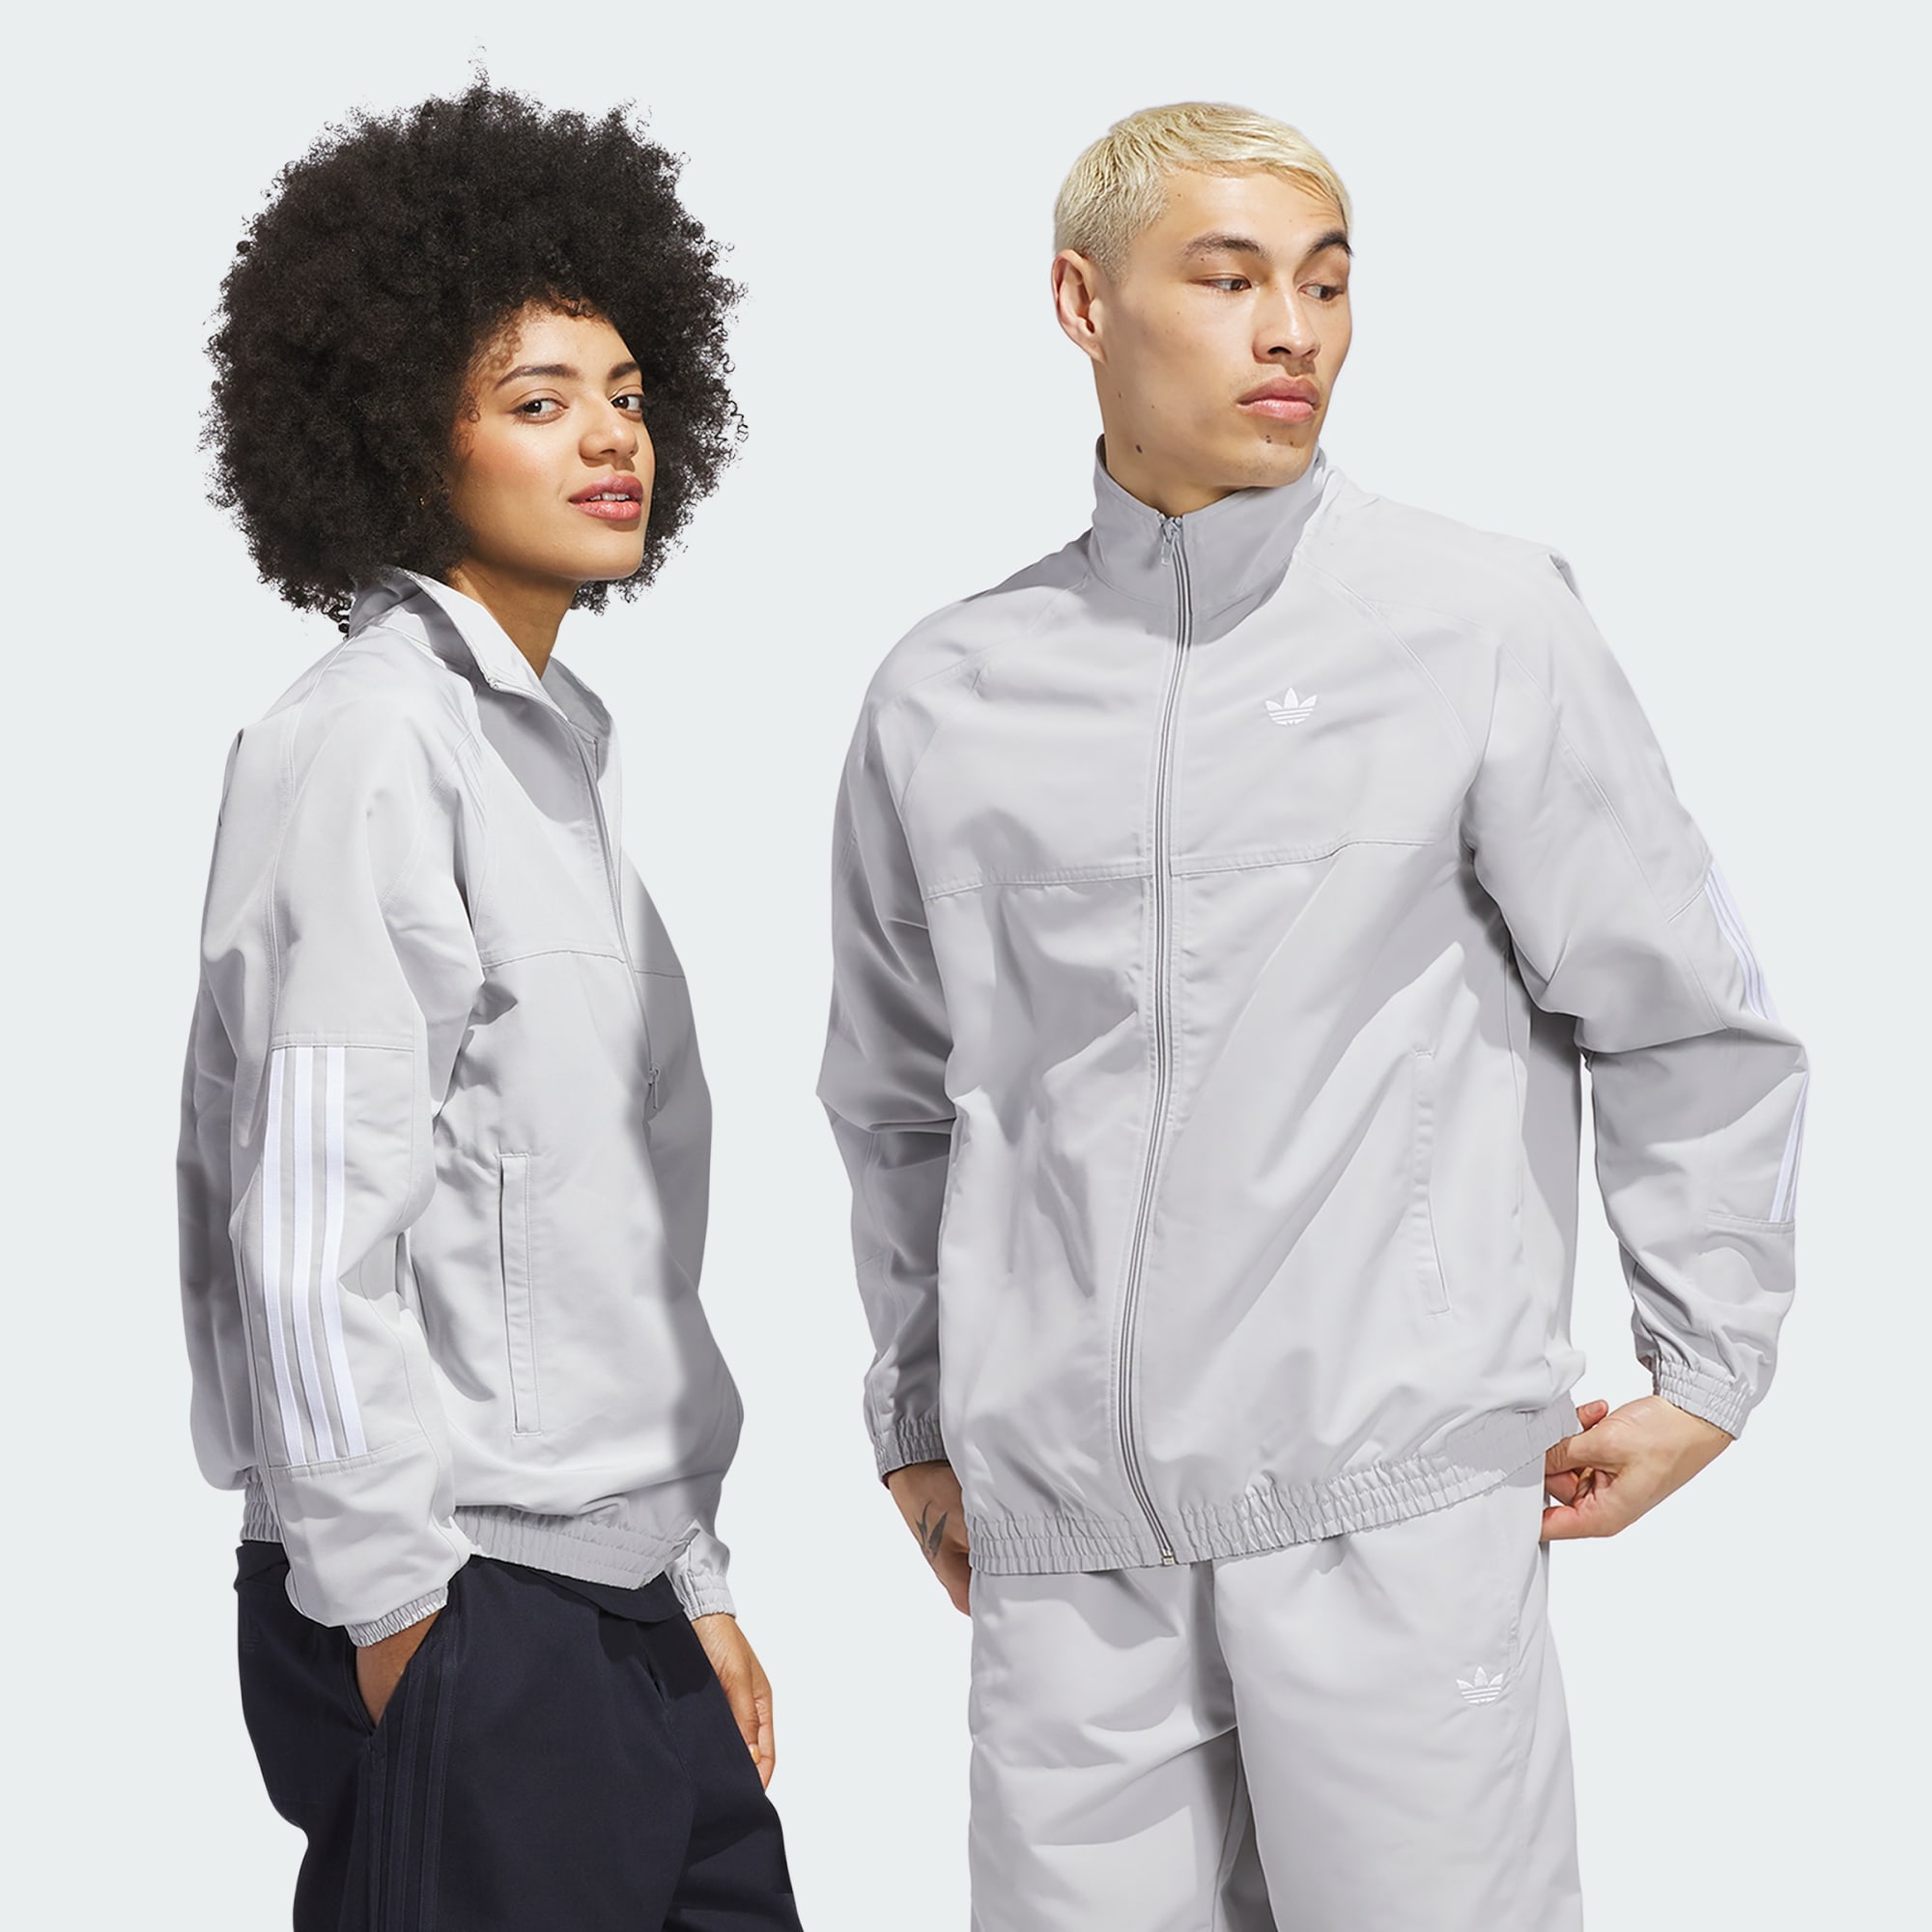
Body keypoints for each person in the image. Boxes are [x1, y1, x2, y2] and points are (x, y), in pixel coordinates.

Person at [816, 99, 1807, 1930]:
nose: (1294, 332)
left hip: (1391, 1516)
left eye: (1328, 284)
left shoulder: (1476, 623)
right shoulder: (947, 692)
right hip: (1069, 1561)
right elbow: (899, 1100)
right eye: (1230, 280)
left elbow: (1679, 1008)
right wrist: (918, 1418)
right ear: (1083, 302)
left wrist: (1710, 1369)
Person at [177, 79, 804, 1930]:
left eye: (626, 391)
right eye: (537, 402)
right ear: (398, 432)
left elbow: (598, 1246)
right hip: (467, 1597)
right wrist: (397, 1616)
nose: (609, 438)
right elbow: (307, 1225)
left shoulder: (554, 759)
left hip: (615, 1598)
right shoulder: (370, 743)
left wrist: (688, 1576)